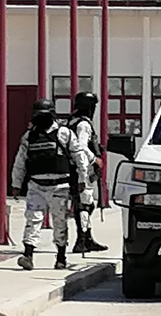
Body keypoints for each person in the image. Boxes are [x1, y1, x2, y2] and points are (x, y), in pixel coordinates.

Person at [11, 100, 93, 271]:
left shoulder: (64, 133)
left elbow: (79, 157)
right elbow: (20, 162)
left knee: (59, 222)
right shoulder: (29, 136)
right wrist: (16, 183)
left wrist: (82, 179)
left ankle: (61, 257)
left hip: (59, 186)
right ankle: (28, 255)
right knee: (32, 220)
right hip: (36, 185)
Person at [64, 91, 108, 253]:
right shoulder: (83, 125)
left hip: (73, 168)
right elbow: (81, 146)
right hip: (82, 169)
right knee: (85, 205)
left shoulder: (71, 122)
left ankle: (87, 238)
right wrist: (94, 159)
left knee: (85, 204)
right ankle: (81, 241)